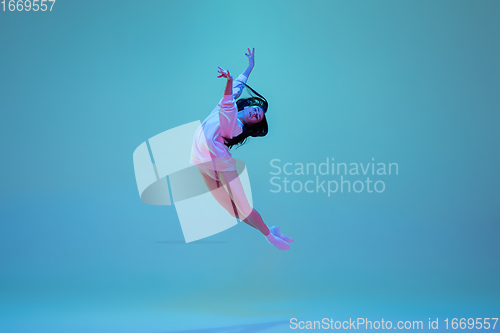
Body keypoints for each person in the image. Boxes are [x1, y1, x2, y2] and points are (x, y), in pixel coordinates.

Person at [190, 48, 293, 250]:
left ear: (251, 123)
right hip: (201, 159)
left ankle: (270, 237)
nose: (257, 114)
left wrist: (227, 81)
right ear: (247, 106)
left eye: (258, 118)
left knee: (244, 207)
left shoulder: (235, 126)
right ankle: (271, 229)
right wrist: (249, 66)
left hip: (220, 162)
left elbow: (228, 103)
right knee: (233, 211)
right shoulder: (234, 106)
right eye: (256, 110)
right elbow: (237, 86)